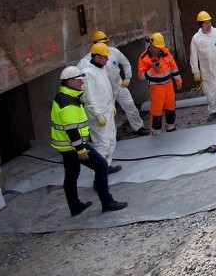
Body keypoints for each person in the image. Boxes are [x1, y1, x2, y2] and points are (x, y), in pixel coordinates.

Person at [51, 66, 128, 216]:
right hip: (74, 146)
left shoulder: (62, 96)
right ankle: (107, 202)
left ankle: (75, 207)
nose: (82, 83)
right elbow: (72, 129)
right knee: (101, 165)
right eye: (80, 80)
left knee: (71, 175)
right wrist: (80, 150)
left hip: (66, 147)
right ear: (71, 82)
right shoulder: (69, 103)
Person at [79, 31, 149, 136]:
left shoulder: (114, 52)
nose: (103, 45)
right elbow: (80, 73)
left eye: (104, 43)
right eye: (100, 43)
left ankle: (138, 127)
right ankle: (113, 134)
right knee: (108, 114)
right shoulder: (88, 60)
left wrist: (128, 78)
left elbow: (125, 63)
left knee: (130, 107)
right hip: (105, 92)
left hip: (119, 86)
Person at [81, 42, 121, 173]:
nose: (107, 59)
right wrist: (98, 115)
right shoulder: (87, 73)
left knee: (111, 140)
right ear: (97, 57)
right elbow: (87, 97)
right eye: (105, 57)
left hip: (107, 111)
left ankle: (106, 166)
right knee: (102, 144)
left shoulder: (101, 68)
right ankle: (98, 176)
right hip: (98, 116)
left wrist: (111, 106)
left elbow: (105, 89)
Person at [138, 32, 182, 134]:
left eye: (161, 47)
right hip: (156, 88)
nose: (159, 49)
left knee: (171, 106)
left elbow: (173, 66)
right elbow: (141, 76)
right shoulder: (144, 57)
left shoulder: (165, 51)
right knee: (156, 111)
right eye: (157, 47)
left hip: (169, 85)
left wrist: (178, 80)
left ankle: (170, 126)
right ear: (151, 45)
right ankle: (156, 130)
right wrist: (153, 70)